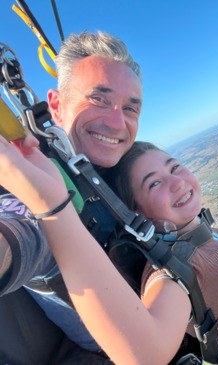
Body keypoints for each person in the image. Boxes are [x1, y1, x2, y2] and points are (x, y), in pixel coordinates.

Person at [0, 138, 218, 365]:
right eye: (155, 183)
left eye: (174, 167)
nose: (177, 182)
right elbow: (145, 355)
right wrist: (54, 208)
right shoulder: (174, 269)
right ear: (137, 212)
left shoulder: (210, 232)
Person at [0, 30, 142, 364]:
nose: (117, 122)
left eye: (130, 108)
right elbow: (22, 230)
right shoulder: (39, 186)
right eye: (99, 99)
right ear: (55, 106)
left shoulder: (120, 170)